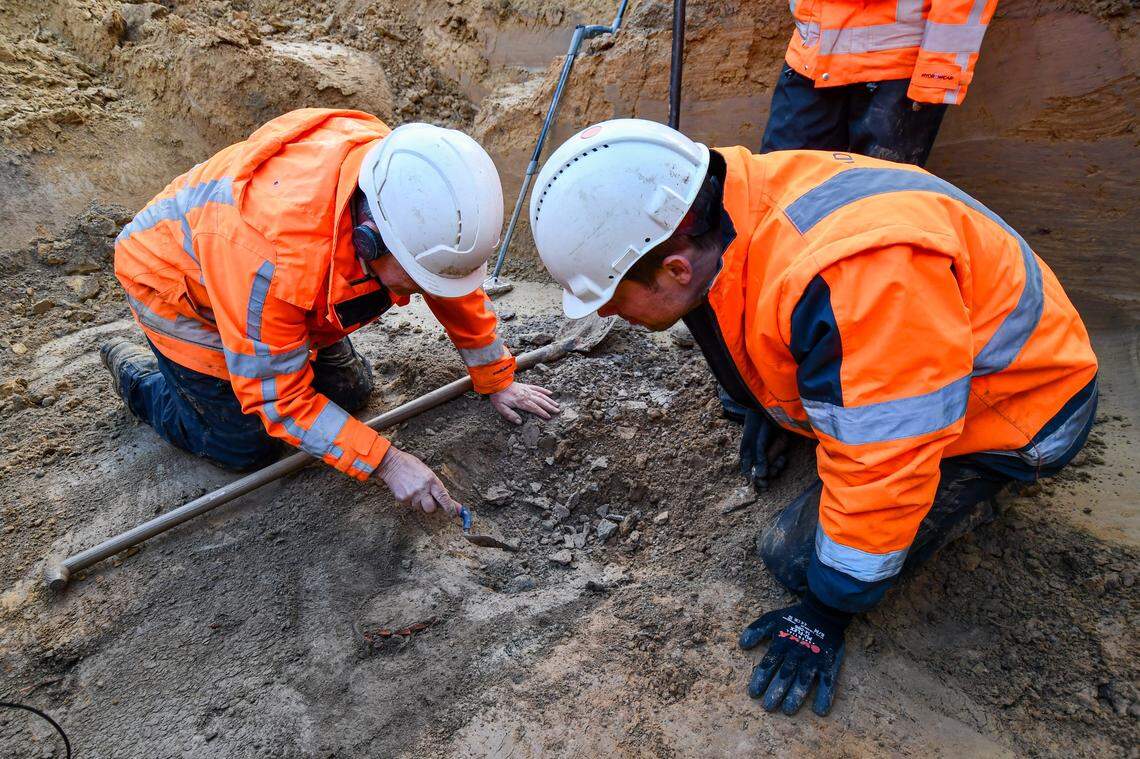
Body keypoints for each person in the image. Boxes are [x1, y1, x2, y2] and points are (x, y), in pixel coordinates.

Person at [528, 119, 1098, 717]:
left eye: (614, 297)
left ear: (675, 269)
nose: (613, 315)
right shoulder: (714, 207)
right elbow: (727, 302)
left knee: (798, 558)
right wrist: (762, 406)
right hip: (909, 361)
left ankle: (987, 486)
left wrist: (826, 611)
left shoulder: (858, 280)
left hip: (1016, 410)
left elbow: (887, 463)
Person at [104, 108, 558, 518]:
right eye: (419, 280)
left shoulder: (402, 180)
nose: (427, 293)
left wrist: (498, 378)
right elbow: (279, 401)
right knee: (245, 445)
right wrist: (389, 462)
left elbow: (446, 274)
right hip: (175, 287)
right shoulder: (269, 266)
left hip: (268, 279)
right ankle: (140, 379)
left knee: (351, 392)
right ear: (369, 239)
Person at [762, 0, 999, 166]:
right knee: (780, 189)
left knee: (877, 207)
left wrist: (936, 75)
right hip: (811, 57)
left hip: (898, 69)